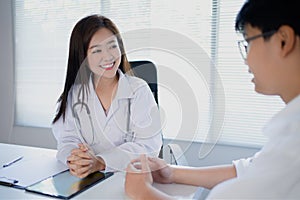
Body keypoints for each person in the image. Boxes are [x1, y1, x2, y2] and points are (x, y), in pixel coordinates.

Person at [125, 0, 300, 199]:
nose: (246, 58)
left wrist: (142, 193)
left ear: (283, 41)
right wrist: (172, 172)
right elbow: (252, 169)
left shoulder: (293, 144)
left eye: (248, 42)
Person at [52, 14, 162, 178]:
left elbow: (148, 145)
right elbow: (67, 139)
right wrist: (76, 159)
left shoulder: (138, 90)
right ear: (82, 56)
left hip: (132, 178)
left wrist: (101, 162)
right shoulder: (75, 94)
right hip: (86, 180)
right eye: (96, 50)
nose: (109, 56)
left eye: (112, 46)